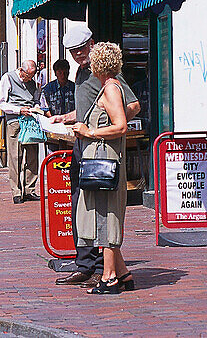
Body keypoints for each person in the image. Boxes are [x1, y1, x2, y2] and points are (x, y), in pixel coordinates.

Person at [51, 25, 140, 288]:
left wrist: (98, 132)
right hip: (83, 145)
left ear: (92, 44)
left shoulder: (107, 77)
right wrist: (65, 119)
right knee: (83, 205)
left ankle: (102, 270)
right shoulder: (81, 73)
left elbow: (129, 108)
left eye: (81, 49)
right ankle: (99, 267)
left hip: (99, 149)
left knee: (103, 209)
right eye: (72, 51)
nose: (78, 55)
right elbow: (88, 110)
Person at [72, 42, 131, 294]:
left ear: (98, 64)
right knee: (103, 214)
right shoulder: (110, 87)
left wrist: (90, 131)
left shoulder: (110, 89)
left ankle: (109, 278)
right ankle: (124, 274)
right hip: (103, 156)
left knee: (105, 217)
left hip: (104, 161)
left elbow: (120, 126)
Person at [0, 60, 44, 204]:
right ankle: (16, 191)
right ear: (21, 70)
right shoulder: (8, 78)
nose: (29, 79)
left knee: (32, 156)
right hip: (15, 121)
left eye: (31, 76)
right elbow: (1, 102)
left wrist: (35, 108)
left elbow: (36, 99)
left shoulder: (33, 82)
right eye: (27, 76)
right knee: (15, 156)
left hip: (30, 121)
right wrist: (18, 110)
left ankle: (29, 189)